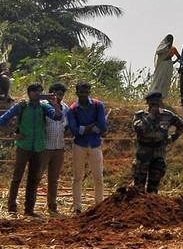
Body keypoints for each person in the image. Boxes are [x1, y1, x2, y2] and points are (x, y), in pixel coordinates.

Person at [2, 84, 59, 216]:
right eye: (34, 91)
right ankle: (12, 208)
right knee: (17, 178)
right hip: (23, 146)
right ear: (28, 93)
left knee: (33, 179)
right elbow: (2, 120)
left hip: (38, 148)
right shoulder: (21, 106)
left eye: (39, 91)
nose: (37, 94)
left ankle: (29, 210)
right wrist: (12, 134)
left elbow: (57, 117)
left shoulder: (44, 107)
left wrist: (55, 104)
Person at [132, 91, 183, 192]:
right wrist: (151, 116)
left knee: (153, 185)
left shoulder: (167, 115)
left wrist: (172, 138)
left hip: (159, 154)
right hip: (143, 153)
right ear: (148, 102)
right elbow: (139, 129)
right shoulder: (140, 115)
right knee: (138, 186)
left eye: (157, 102)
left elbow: (182, 125)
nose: (155, 105)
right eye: (153, 103)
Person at [66, 82, 108, 213]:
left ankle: (99, 205)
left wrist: (84, 129)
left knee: (98, 177)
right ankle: (77, 207)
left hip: (94, 144)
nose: (84, 94)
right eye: (82, 92)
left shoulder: (97, 105)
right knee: (78, 177)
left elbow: (102, 126)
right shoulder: (72, 109)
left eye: (86, 92)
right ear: (77, 92)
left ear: (89, 92)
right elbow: (74, 130)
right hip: (79, 145)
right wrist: (91, 127)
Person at [42, 83, 70, 215]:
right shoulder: (43, 106)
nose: (58, 96)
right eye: (56, 94)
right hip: (44, 147)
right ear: (50, 93)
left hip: (59, 147)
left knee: (53, 179)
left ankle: (52, 205)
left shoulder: (66, 108)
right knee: (36, 177)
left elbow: (68, 126)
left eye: (61, 94)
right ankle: (30, 206)